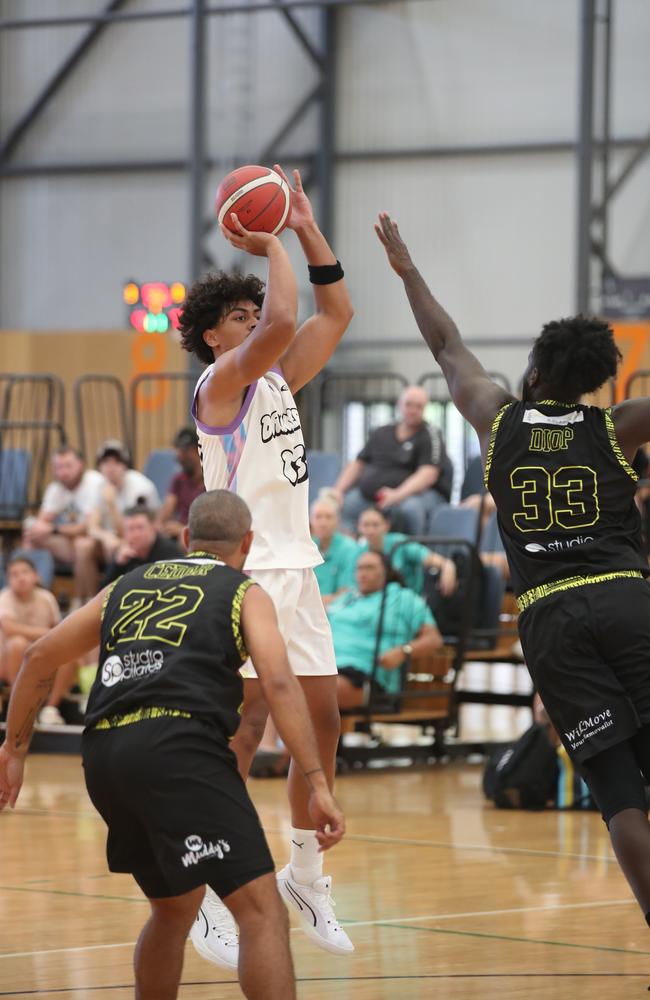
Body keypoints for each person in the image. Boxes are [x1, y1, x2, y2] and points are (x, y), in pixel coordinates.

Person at [375, 209, 650, 934]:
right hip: (627, 602)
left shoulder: (496, 419)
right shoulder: (619, 427)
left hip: (551, 618)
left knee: (619, 795)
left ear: (533, 372)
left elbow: (445, 343)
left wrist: (407, 270)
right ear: (599, 382)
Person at [0, 490, 345, 1000]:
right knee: (263, 912)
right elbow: (277, 683)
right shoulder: (244, 592)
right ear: (247, 544)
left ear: (185, 539)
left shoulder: (124, 585)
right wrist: (317, 781)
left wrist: (13, 750)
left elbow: (37, 656)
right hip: (180, 750)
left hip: (106, 757)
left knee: (174, 909)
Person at [179, 164, 354, 964]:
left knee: (322, 724)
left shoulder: (278, 377)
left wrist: (306, 224)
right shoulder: (220, 387)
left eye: (254, 314)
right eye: (238, 317)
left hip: (298, 570)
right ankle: (207, 889)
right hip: (242, 576)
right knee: (243, 730)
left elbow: (334, 310)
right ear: (214, 336)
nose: (255, 322)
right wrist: (271, 238)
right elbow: (286, 314)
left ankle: (305, 876)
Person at [328, 549, 441, 709]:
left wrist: (404, 651)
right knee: (286, 687)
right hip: (327, 667)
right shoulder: (346, 599)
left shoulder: (404, 598)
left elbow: (434, 639)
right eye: (359, 568)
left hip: (366, 675)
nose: (363, 573)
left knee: (317, 693)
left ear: (386, 571)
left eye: (370, 568)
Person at [333, 384, 451, 535]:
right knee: (347, 504)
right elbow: (358, 463)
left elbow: (428, 474)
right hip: (369, 496)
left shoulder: (431, 435)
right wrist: (337, 491)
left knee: (410, 509)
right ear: (400, 404)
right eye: (409, 404)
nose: (413, 410)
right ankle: (354, 553)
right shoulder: (382, 432)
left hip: (414, 496)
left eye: (419, 406)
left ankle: (409, 552)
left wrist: (397, 495)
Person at [0, 554, 77, 725]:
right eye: (14, 574)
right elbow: (10, 629)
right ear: (8, 580)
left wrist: (48, 634)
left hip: (39, 658)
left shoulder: (47, 598)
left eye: (25, 572)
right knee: (17, 644)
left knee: (68, 652)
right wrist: (45, 633)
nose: (20, 577)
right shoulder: (5, 597)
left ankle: (50, 709)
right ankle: (18, 708)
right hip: (7, 661)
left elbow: (58, 632)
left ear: (36, 576)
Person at [22, 446, 104, 605]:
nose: (63, 472)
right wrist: (35, 530)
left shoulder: (94, 482)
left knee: (83, 545)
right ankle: (35, 600)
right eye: (58, 467)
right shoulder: (56, 488)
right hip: (71, 542)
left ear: (81, 464)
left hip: (99, 541)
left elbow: (86, 528)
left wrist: (53, 529)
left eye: (68, 466)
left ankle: (84, 604)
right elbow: (41, 521)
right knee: (32, 538)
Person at [356, 506, 457, 596]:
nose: (370, 530)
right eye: (366, 525)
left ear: (386, 526)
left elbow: (430, 558)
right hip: (374, 601)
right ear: (359, 527)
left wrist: (447, 565)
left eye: (375, 525)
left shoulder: (400, 543)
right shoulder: (359, 551)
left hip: (406, 600)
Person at [88, 440, 160, 562]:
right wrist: (106, 537)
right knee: (83, 546)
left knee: (116, 547)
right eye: (105, 463)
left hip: (143, 538)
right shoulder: (100, 485)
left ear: (125, 465)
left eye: (116, 462)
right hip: (115, 537)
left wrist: (111, 504)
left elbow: (131, 532)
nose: (111, 468)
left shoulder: (140, 488)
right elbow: (92, 527)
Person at [103, 507, 183, 585]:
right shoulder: (123, 554)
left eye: (140, 528)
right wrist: (118, 565)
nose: (135, 535)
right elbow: (102, 591)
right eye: (130, 529)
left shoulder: (169, 551)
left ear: (153, 527)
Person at [311, 493, 360, 605]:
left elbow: (347, 591)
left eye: (328, 517)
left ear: (338, 520)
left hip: (338, 610)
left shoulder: (349, 548)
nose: (323, 523)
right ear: (310, 520)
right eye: (318, 517)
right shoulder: (307, 547)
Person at [158, 427, 205, 540]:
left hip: (203, 537)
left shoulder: (212, 480)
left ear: (197, 450)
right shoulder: (179, 480)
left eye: (185, 451)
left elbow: (215, 524)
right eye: (178, 451)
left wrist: (184, 530)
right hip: (180, 537)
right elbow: (163, 517)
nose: (179, 456)